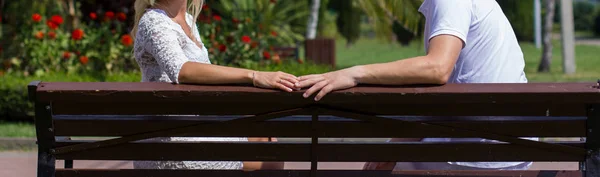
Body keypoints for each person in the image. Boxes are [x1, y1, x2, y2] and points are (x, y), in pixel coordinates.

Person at [296, 0, 534, 171]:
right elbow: (447, 97)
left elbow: (437, 68)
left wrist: (355, 74)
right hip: (508, 149)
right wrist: (397, 144)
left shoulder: (450, 3)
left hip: (476, 155)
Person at [131, 0, 290, 171]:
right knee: (272, 160)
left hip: (195, 129)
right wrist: (253, 75)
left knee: (266, 140)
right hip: (171, 143)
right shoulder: (154, 20)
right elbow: (181, 70)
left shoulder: (188, 20)